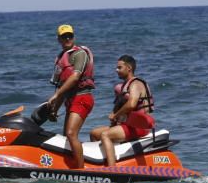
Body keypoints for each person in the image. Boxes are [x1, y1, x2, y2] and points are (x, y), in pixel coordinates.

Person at [89, 55, 155, 167]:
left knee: (105, 135)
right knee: (94, 133)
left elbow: (131, 104)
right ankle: (100, 163)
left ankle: (112, 169)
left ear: (129, 68)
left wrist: (116, 115)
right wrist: (115, 118)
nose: (116, 70)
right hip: (128, 125)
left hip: (139, 127)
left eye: (119, 67)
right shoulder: (125, 85)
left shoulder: (136, 84)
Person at [47, 24, 95, 169]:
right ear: (59, 39)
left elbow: (74, 78)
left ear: (74, 36)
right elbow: (63, 87)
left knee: (71, 133)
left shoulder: (80, 54)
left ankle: (81, 170)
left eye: (70, 35)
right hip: (70, 100)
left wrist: (56, 95)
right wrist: (54, 109)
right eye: (64, 36)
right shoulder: (61, 58)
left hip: (82, 97)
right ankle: (70, 165)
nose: (67, 38)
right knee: (65, 136)